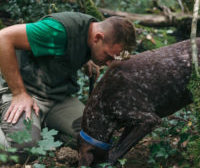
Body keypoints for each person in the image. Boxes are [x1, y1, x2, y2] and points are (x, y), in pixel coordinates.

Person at [0, 11, 136, 159]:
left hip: (58, 99)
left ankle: (40, 128)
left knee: (96, 140)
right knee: (25, 149)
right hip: (27, 94)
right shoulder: (57, 31)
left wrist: (89, 58)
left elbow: (70, 48)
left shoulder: (93, 35)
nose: (109, 63)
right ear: (98, 38)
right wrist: (19, 92)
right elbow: (4, 38)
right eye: (108, 56)